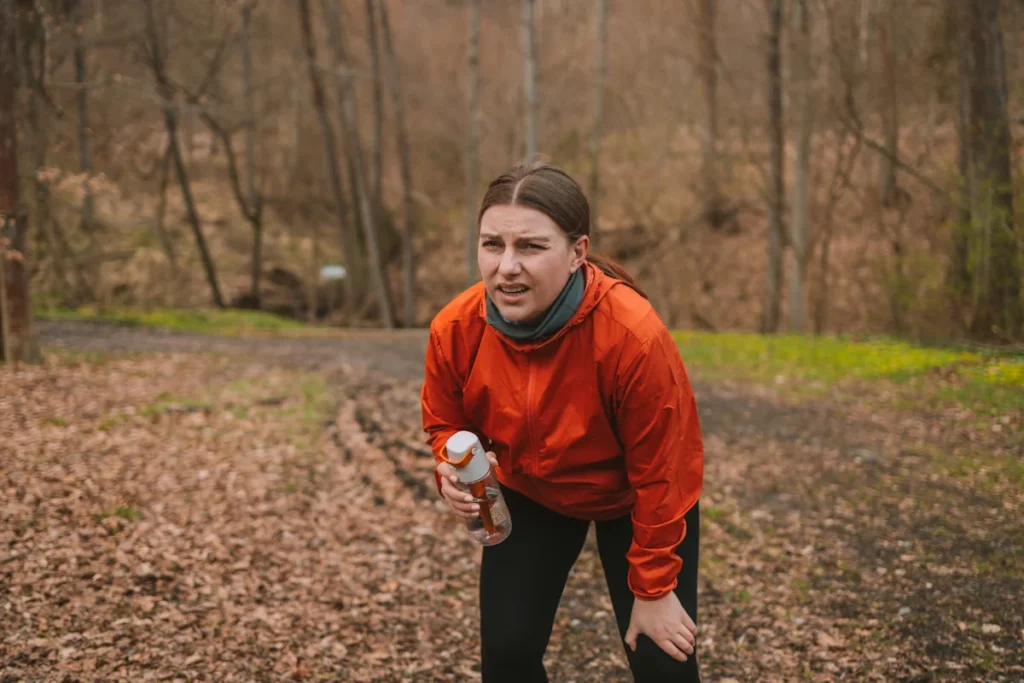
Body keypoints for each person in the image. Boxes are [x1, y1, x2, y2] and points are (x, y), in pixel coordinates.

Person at [421, 161, 704, 683]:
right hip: (533, 493)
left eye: (530, 246)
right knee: (506, 659)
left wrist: (654, 590)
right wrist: (449, 468)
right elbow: (445, 422)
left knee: (662, 662)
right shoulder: (455, 327)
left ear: (577, 253)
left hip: (635, 501)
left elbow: (666, 472)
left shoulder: (631, 335)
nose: (507, 266)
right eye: (492, 245)